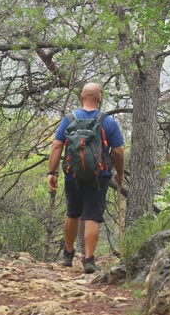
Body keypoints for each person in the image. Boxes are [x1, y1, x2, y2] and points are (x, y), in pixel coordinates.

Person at [47, 83, 125, 273]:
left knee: (72, 213)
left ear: (82, 97)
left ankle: (68, 254)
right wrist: (119, 173)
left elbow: (57, 146)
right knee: (92, 216)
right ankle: (89, 260)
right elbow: (118, 151)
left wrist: (52, 173)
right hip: (99, 176)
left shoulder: (69, 119)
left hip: (72, 174)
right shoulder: (108, 122)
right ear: (99, 98)